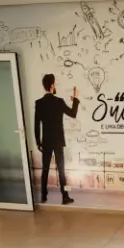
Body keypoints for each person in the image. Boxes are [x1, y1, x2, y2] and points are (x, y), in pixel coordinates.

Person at [34, 74, 79, 204]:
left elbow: (36, 124)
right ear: (52, 85)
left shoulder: (39, 103)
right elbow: (73, 114)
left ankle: (43, 195)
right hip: (58, 140)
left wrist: (38, 142)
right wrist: (75, 99)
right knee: (61, 169)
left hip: (46, 140)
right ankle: (65, 196)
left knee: (45, 169)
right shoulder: (59, 101)